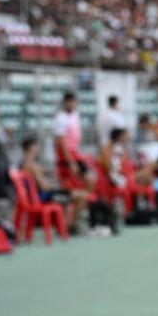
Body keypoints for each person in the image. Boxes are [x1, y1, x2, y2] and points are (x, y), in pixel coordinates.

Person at [53, 92, 92, 232]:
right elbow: (61, 142)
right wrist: (70, 162)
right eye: (69, 102)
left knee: (89, 182)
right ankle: (68, 223)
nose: (72, 104)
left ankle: (76, 216)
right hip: (66, 157)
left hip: (76, 154)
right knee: (68, 191)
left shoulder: (76, 116)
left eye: (73, 102)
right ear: (65, 103)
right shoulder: (60, 118)